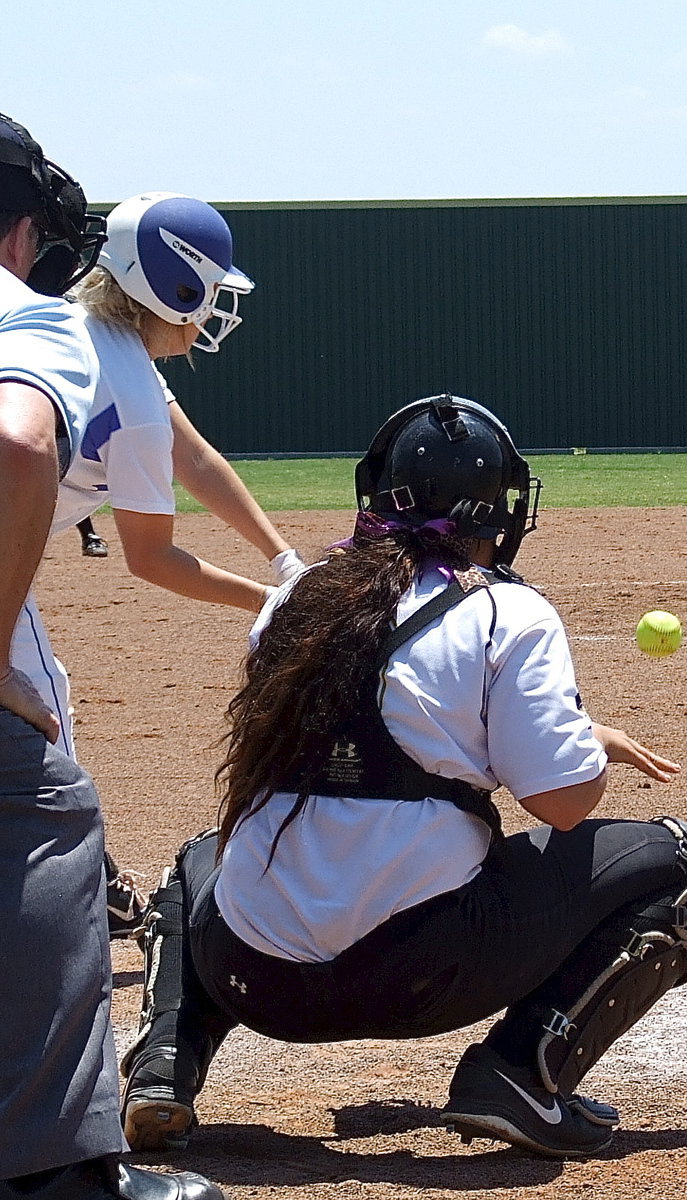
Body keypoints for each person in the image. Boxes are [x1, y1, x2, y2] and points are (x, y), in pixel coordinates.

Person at [120, 393, 687, 1160]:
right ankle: (521, 1075)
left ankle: (164, 1067)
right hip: (422, 975)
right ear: (492, 511)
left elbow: (354, 737)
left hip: (254, 974)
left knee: (200, 858)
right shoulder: (509, 612)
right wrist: (581, 741)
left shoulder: (292, 601)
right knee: (684, 868)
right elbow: (563, 803)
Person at [0, 110, 223, 1200]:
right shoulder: (43, 324)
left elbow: (186, 450)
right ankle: (55, 1165)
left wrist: (278, 563)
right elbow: (18, 445)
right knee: (49, 824)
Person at [10, 190, 305, 938]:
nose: (211, 312)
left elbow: (197, 460)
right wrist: (264, 604)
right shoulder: (133, 390)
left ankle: (77, 869)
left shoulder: (78, 322)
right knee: (41, 707)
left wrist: (285, 560)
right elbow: (153, 558)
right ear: (173, 289)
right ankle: (66, 878)